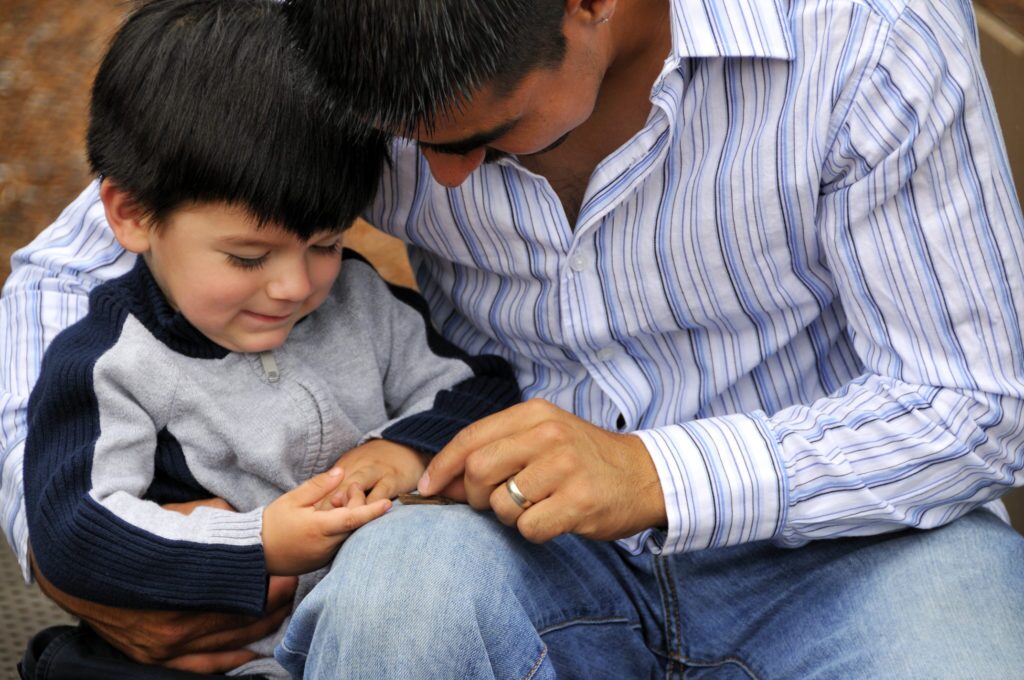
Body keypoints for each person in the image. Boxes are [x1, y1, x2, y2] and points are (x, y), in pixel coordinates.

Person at [3, 0, 1024, 676]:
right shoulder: (326, 26)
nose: (441, 183)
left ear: (590, 7)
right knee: (400, 602)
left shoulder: (865, 38)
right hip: (494, 542)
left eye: (477, 140)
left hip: (866, 545)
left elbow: (977, 402)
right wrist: (61, 550)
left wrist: (657, 470)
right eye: (413, 147)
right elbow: (71, 270)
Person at [12, 1, 519, 678]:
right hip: (194, 655)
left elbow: (479, 390)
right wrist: (260, 542)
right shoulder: (111, 362)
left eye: (326, 243)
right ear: (132, 215)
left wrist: (399, 450)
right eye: (248, 258)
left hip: (351, 639)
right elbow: (75, 530)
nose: (292, 286)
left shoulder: (358, 305)